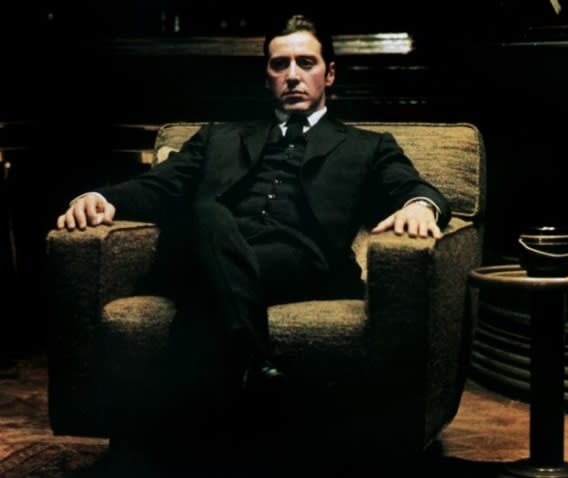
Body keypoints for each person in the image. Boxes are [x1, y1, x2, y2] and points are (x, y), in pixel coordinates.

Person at [55, 12, 451, 454]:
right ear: (267, 77)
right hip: (209, 245)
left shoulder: (367, 146)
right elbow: (159, 186)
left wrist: (420, 206)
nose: (293, 75)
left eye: (306, 63)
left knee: (205, 256)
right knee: (209, 214)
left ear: (330, 74)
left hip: (299, 261)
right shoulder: (218, 138)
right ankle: (256, 366)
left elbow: (414, 188)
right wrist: (100, 197)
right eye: (280, 65)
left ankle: (170, 447)